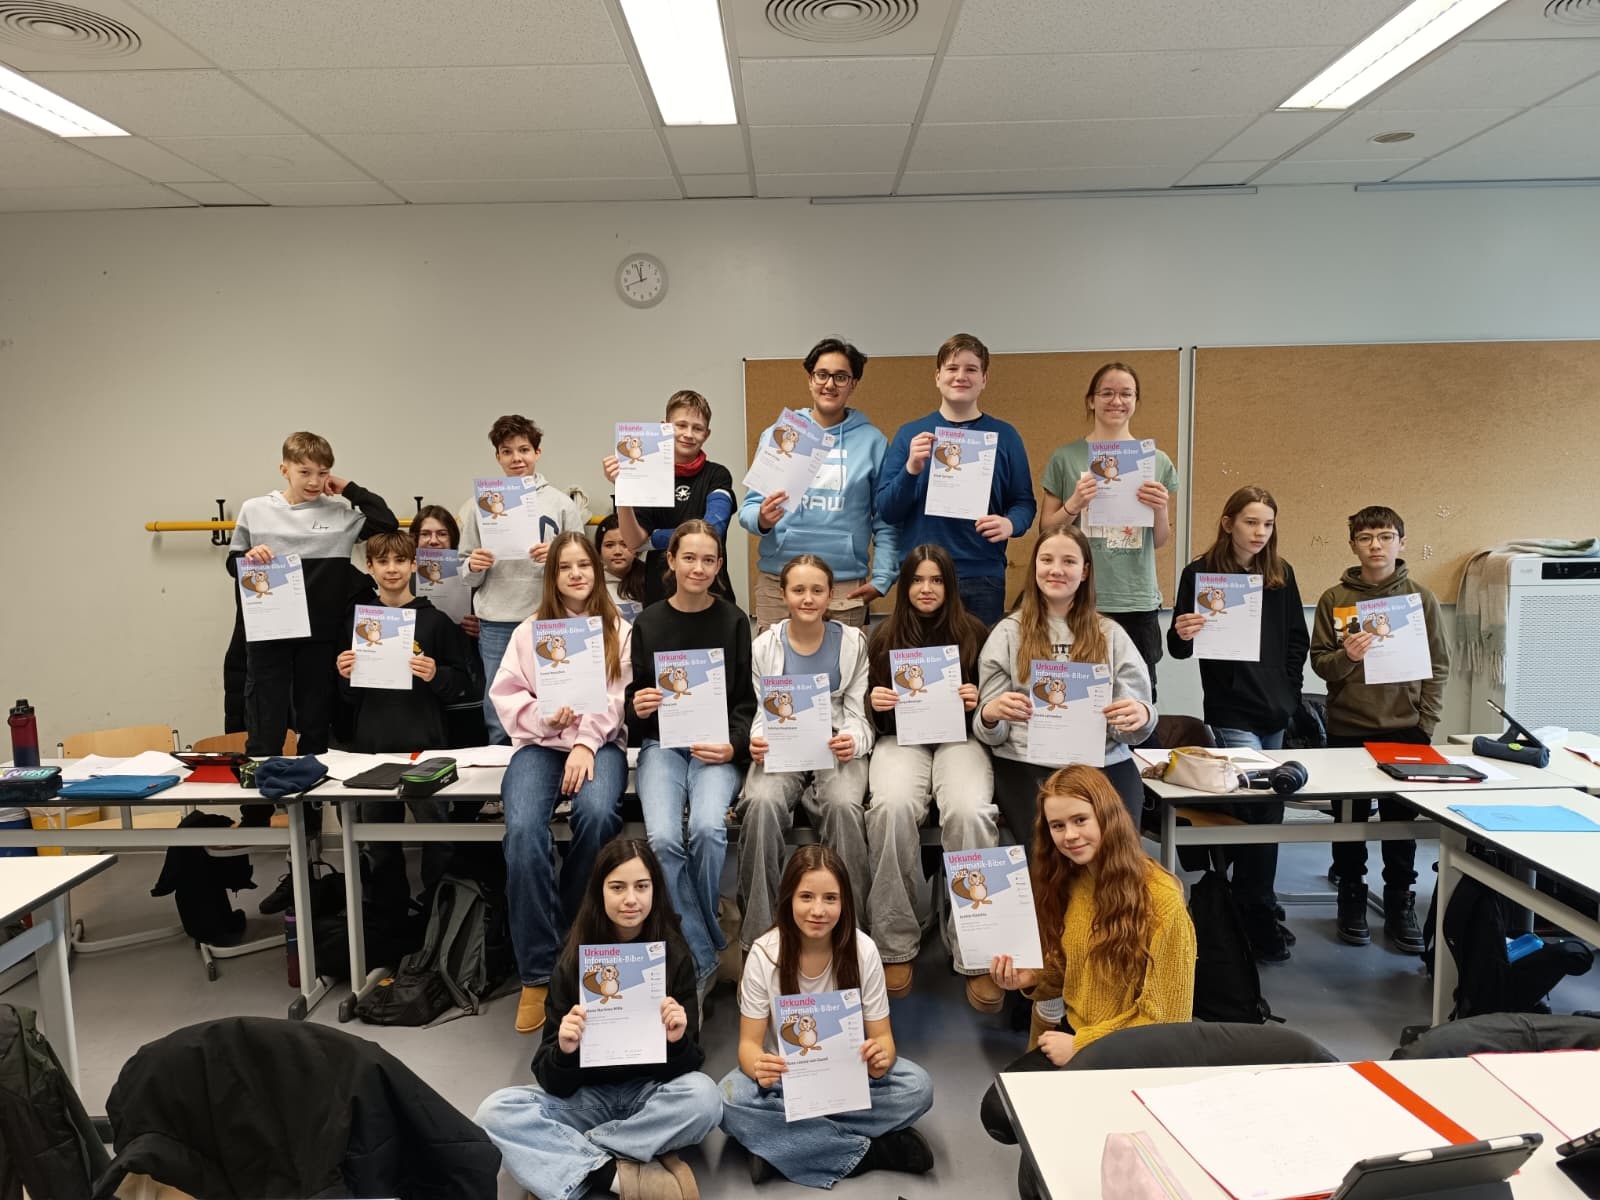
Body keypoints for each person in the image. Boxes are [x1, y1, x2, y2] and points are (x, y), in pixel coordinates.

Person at [476, 838, 722, 1200]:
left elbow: (687, 1068)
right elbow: (550, 1079)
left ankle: (573, 1159)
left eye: (642, 886)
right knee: (493, 1113)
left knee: (705, 1098)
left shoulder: (674, 956)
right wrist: (565, 1049)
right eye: (617, 887)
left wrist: (677, 1042)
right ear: (599, 892)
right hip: (586, 1097)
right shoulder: (573, 959)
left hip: (647, 1096)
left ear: (655, 891)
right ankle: (615, 1175)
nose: (630, 899)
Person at [979, 766, 1195, 1146]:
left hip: (1134, 1051)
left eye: (1080, 820)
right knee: (999, 1113)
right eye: (1057, 826)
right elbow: (1069, 970)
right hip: (1077, 1032)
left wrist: (1082, 1046)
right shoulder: (1073, 879)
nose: (1070, 836)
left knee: (1041, 1123)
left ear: (1107, 816)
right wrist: (1032, 978)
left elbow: (1166, 1021)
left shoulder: (1163, 902)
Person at [719, 845, 935, 1189]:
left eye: (830, 898)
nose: (818, 910)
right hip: (785, 1081)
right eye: (806, 897)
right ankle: (872, 1153)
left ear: (844, 902)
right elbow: (748, 1045)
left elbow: (883, 1038)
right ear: (788, 899)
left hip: (848, 1077)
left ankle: (782, 1145)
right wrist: (758, 1066)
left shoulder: (863, 951)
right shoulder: (764, 954)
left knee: (918, 1087)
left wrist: (881, 1057)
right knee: (728, 1099)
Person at [492, 531, 631, 1033]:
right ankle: (537, 971)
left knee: (597, 815)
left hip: (599, 744)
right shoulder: (529, 631)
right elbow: (506, 694)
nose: (576, 574)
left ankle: (576, 941)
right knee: (523, 831)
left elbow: (616, 701)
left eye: (584, 566)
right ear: (552, 576)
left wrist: (585, 742)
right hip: (539, 744)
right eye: (565, 567)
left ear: (597, 571)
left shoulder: (618, 628)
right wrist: (545, 720)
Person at [1166, 485, 1308, 962]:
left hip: (1274, 709)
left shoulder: (1281, 574)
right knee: (1256, 805)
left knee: (1268, 808)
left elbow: (1296, 640)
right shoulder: (1200, 573)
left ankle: (1248, 903)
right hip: (1230, 709)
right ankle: (1254, 910)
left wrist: (1290, 693)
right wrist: (1183, 631)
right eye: (1250, 522)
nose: (1259, 532)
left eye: (1267, 524)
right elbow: (1179, 647)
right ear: (1228, 523)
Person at [862, 544, 999, 1007]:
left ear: (949, 585)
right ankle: (894, 942)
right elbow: (870, 717)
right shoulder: (883, 637)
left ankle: (977, 951)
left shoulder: (975, 633)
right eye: (918, 580)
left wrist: (976, 701)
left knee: (970, 811)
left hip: (961, 739)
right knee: (890, 808)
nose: (926, 589)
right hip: (901, 740)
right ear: (904, 586)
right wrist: (876, 704)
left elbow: (991, 708)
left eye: (936, 580)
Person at [1310, 505, 1448, 954]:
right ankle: (1351, 894)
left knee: (1400, 822)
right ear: (1353, 545)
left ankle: (1399, 898)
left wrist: (1425, 722)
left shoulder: (1420, 599)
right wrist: (1347, 656)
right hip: (1348, 726)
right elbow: (1321, 664)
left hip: (1405, 728)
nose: (1376, 546)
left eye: (1385, 537)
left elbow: (1438, 666)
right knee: (1348, 819)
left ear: (1401, 543)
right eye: (1366, 538)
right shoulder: (1335, 599)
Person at [627, 520, 756, 996]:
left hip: (716, 746)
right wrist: (638, 706)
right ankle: (707, 950)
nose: (698, 568)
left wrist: (733, 746)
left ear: (719, 565)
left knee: (706, 829)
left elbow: (746, 703)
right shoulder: (648, 622)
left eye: (708, 560)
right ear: (671, 561)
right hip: (662, 744)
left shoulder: (734, 621)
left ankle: (696, 944)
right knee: (662, 838)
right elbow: (634, 702)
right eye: (689, 558)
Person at [976, 524, 1157, 845]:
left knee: (1116, 858)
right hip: (1026, 764)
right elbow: (990, 732)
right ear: (1035, 567)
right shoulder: (1007, 633)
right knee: (1051, 859)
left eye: (1069, 561)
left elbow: (1134, 729)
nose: (1056, 570)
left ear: (1085, 571)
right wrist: (991, 714)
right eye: (1046, 560)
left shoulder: (1111, 634)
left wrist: (1141, 714)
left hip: (1103, 762)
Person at [230, 430, 397, 764]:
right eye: (304, 472)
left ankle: (311, 793)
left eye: (322, 473)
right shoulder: (254, 509)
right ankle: (262, 791)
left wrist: (349, 489)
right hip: (270, 632)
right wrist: (248, 556)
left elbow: (386, 522)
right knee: (265, 719)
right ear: (284, 469)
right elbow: (233, 563)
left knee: (315, 719)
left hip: (319, 634)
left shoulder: (339, 514)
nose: (314, 481)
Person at [737, 555, 874, 960]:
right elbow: (760, 712)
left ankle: (851, 936)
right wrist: (758, 740)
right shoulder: (764, 646)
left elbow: (859, 714)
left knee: (844, 805)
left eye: (817, 590)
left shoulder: (852, 643)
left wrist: (852, 741)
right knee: (760, 803)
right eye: (798, 590)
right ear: (783, 594)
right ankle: (758, 940)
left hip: (834, 744)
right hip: (783, 747)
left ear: (831, 595)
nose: (808, 598)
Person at [335, 529, 480, 908]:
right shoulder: (357, 621)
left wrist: (437, 675)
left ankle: (438, 913)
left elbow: (463, 686)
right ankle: (390, 915)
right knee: (377, 842)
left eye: (400, 560)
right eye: (382, 561)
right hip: (372, 749)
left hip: (426, 748)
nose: (392, 569)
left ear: (414, 565)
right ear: (369, 567)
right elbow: (346, 698)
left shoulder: (436, 622)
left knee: (439, 838)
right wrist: (345, 675)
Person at [739, 338, 899, 632]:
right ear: (810, 379)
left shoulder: (873, 442)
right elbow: (748, 509)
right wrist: (761, 519)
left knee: (844, 661)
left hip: (844, 584)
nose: (830, 384)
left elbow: (885, 518)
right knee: (773, 662)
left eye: (841, 377)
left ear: (853, 384)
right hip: (779, 581)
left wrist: (883, 577)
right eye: (822, 374)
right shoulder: (782, 434)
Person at [875, 333, 1035, 625]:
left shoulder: (1006, 436)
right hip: (922, 576)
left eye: (971, 369)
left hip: (981, 576)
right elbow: (887, 510)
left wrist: (1010, 524)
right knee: (924, 656)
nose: (961, 376)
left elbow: (1024, 503)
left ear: (984, 379)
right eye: (952, 368)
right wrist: (911, 469)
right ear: (938, 377)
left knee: (978, 656)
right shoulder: (910, 434)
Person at [1040, 363, 1178, 698]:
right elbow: (1045, 531)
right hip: (1079, 597)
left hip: (1136, 599)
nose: (1117, 401)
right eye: (1107, 393)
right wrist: (1074, 504)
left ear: (1135, 400)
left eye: (1126, 394)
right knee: (1078, 695)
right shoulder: (1066, 457)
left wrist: (1160, 508)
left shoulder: (1156, 460)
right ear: (1091, 400)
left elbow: (1160, 540)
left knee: (1138, 697)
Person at [458, 415, 586, 744]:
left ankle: (554, 763)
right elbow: (465, 573)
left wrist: (557, 558)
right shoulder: (477, 506)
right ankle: (500, 770)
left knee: (555, 698)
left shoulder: (561, 504)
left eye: (524, 449)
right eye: (507, 451)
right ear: (497, 457)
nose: (517, 458)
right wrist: (474, 564)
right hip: (497, 621)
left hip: (550, 617)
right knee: (499, 704)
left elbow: (583, 569)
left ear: (538, 453)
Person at [605, 391, 735, 604]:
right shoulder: (646, 475)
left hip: (712, 596)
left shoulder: (717, 475)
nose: (688, 434)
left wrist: (653, 539)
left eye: (697, 428)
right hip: (661, 596)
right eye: (681, 425)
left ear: (707, 434)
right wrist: (623, 490)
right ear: (664, 427)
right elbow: (633, 541)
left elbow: (713, 530)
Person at [414, 502, 480, 637]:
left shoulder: (471, 570)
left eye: (442, 534)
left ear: (453, 537)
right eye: (425, 534)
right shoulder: (404, 572)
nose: (433, 541)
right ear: (415, 538)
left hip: (461, 640)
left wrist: (482, 627)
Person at [595, 513, 646, 613]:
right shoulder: (590, 584)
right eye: (609, 545)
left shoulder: (650, 581)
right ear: (599, 551)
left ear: (637, 549)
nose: (617, 551)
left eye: (624, 544)